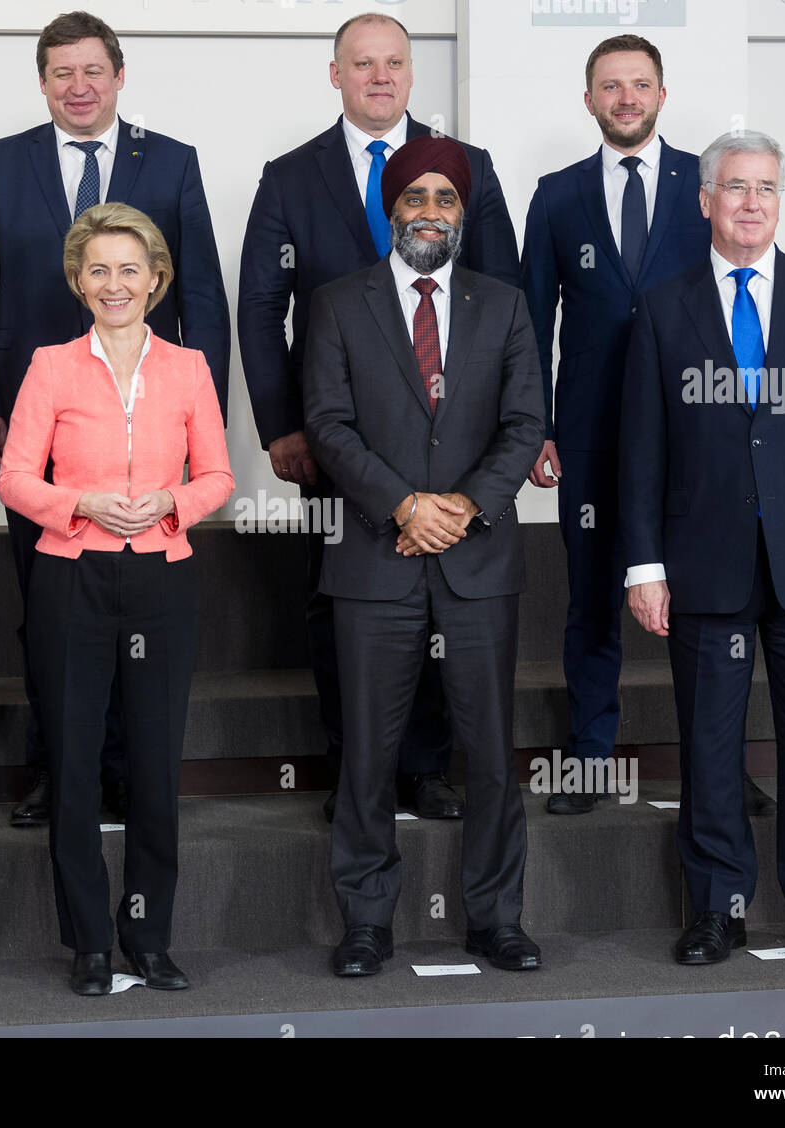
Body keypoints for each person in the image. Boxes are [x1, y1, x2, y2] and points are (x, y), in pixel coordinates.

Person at [240, 12, 520, 824]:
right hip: (337, 441)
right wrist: (281, 425)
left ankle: (426, 766)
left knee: (441, 593)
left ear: (410, 72)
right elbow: (260, 308)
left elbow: (506, 298)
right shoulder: (290, 175)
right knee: (341, 601)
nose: (379, 77)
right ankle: (354, 767)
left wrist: (517, 432)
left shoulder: (464, 167)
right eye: (362, 65)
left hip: (457, 445)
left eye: (393, 63)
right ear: (336, 75)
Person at [621, 131, 785, 967]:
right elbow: (641, 450)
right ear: (704, 201)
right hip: (704, 563)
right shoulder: (663, 309)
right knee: (709, 745)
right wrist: (644, 564)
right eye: (735, 187)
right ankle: (716, 911)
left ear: (780, 200)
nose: (750, 203)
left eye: (765, 188)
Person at [0, 10, 229, 831]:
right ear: (43, 83)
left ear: (118, 75)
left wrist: (194, 425)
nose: (78, 87)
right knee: (49, 595)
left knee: (137, 603)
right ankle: (55, 766)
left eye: (92, 71)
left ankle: (124, 772)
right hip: (33, 427)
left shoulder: (172, 162)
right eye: (60, 74)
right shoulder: (0, 165)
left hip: (144, 430)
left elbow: (204, 298)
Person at [303, 136, 544, 977]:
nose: (431, 212)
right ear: (391, 210)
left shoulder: (504, 305)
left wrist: (464, 507)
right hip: (375, 560)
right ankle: (367, 922)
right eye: (416, 198)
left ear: (463, 212)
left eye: (446, 198)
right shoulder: (337, 304)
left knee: (489, 754)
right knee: (368, 753)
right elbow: (328, 426)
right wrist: (406, 506)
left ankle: (496, 919)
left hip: (478, 564)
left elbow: (524, 425)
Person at [520, 36, 774, 817]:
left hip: (695, 428)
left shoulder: (707, 184)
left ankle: (723, 771)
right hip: (592, 432)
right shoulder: (556, 195)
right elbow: (530, 322)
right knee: (592, 599)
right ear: (589, 99)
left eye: (639, 85)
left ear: (661, 94)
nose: (625, 98)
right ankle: (592, 758)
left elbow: (738, 291)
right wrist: (535, 425)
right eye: (610, 86)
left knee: (713, 604)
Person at [0, 202, 233, 996]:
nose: (114, 283)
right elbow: (14, 477)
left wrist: (171, 501)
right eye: (98, 269)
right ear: (78, 280)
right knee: (71, 763)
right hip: (74, 576)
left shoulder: (190, 367)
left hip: (162, 576)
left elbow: (220, 478)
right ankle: (90, 943)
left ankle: (150, 936)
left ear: (157, 279)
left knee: (155, 763)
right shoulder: (50, 366)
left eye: (130, 268)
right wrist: (83, 504)